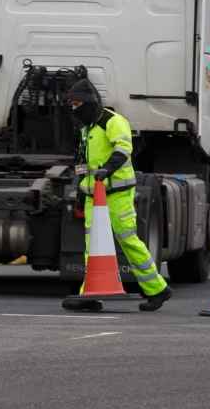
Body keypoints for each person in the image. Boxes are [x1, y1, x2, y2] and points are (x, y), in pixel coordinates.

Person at [61, 79, 173, 312]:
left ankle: (158, 289)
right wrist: (82, 190)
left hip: (117, 193)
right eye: (72, 106)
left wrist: (107, 170)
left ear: (90, 102)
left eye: (77, 104)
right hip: (95, 196)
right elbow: (84, 165)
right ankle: (91, 294)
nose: (74, 110)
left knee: (128, 240)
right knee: (92, 247)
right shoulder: (86, 130)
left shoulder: (112, 121)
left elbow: (123, 149)